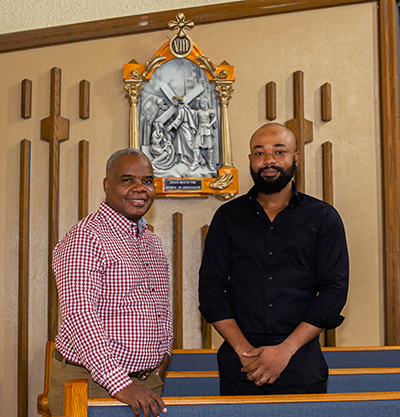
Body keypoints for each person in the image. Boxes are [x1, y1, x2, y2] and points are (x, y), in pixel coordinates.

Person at [198, 123, 349, 396]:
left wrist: (285, 350)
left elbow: (333, 292)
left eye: (279, 152)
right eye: (259, 153)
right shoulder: (227, 217)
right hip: (241, 364)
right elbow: (210, 288)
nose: (269, 160)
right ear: (250, 161)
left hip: (301, 363)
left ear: (296, 158)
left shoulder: (323, 218)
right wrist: (244, 351)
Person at [48, 149, 173, 417]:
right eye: (127, 180)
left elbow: (160, 305)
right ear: (107, 185)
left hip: (147, 384)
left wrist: (164, 354)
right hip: (91, 384)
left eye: (147, 181)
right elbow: (80, 316)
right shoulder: (86, 237)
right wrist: (122, 384)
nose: (140, 188)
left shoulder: (152, 242)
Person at [165, 96, 197, 166]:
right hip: (180, 129)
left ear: (178, 102)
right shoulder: (179, 109)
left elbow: (179, 119)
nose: (173, 103)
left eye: (175, 101)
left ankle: (197, 159)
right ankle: (182, 158)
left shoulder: (182, 110)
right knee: (179, 143)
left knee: (189, 143)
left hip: (184, 128)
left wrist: (171, 126)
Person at [191, 97, 217, 172]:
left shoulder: (210, 111)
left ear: (206, 103)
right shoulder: (199, 112)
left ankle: (210, 163)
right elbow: (193, 113)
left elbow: (214, 118)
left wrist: (210, 124)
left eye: (203, 102)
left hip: (207, 130)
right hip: (200, 129)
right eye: (200, 103)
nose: (201, 104)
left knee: (210, 147)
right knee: (196, 145)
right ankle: (196, 161)